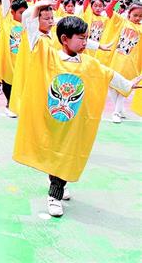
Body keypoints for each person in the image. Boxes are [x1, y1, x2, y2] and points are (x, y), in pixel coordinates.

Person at [13, 15, 142, 217]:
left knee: (67, 155)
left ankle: (54, 194)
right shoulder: (49, 56)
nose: (84, 42)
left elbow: (108, 74)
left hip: (74, 124)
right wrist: (39, 8)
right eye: (81, 38)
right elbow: (29, 25)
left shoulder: (89, 63)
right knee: (54, 153)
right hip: (52, 120)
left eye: (86, 38)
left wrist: (128, 84)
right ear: (65, 39)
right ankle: (56, 184)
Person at [0, 0, 27, 118]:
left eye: (25, 12)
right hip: (8, 59)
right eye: (20, 12)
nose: (23, 15)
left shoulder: (27, 24)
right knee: (8, 82)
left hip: (22, 60)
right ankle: (9, 104)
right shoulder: (7, 19)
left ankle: (19, 105)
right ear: (12, 12)